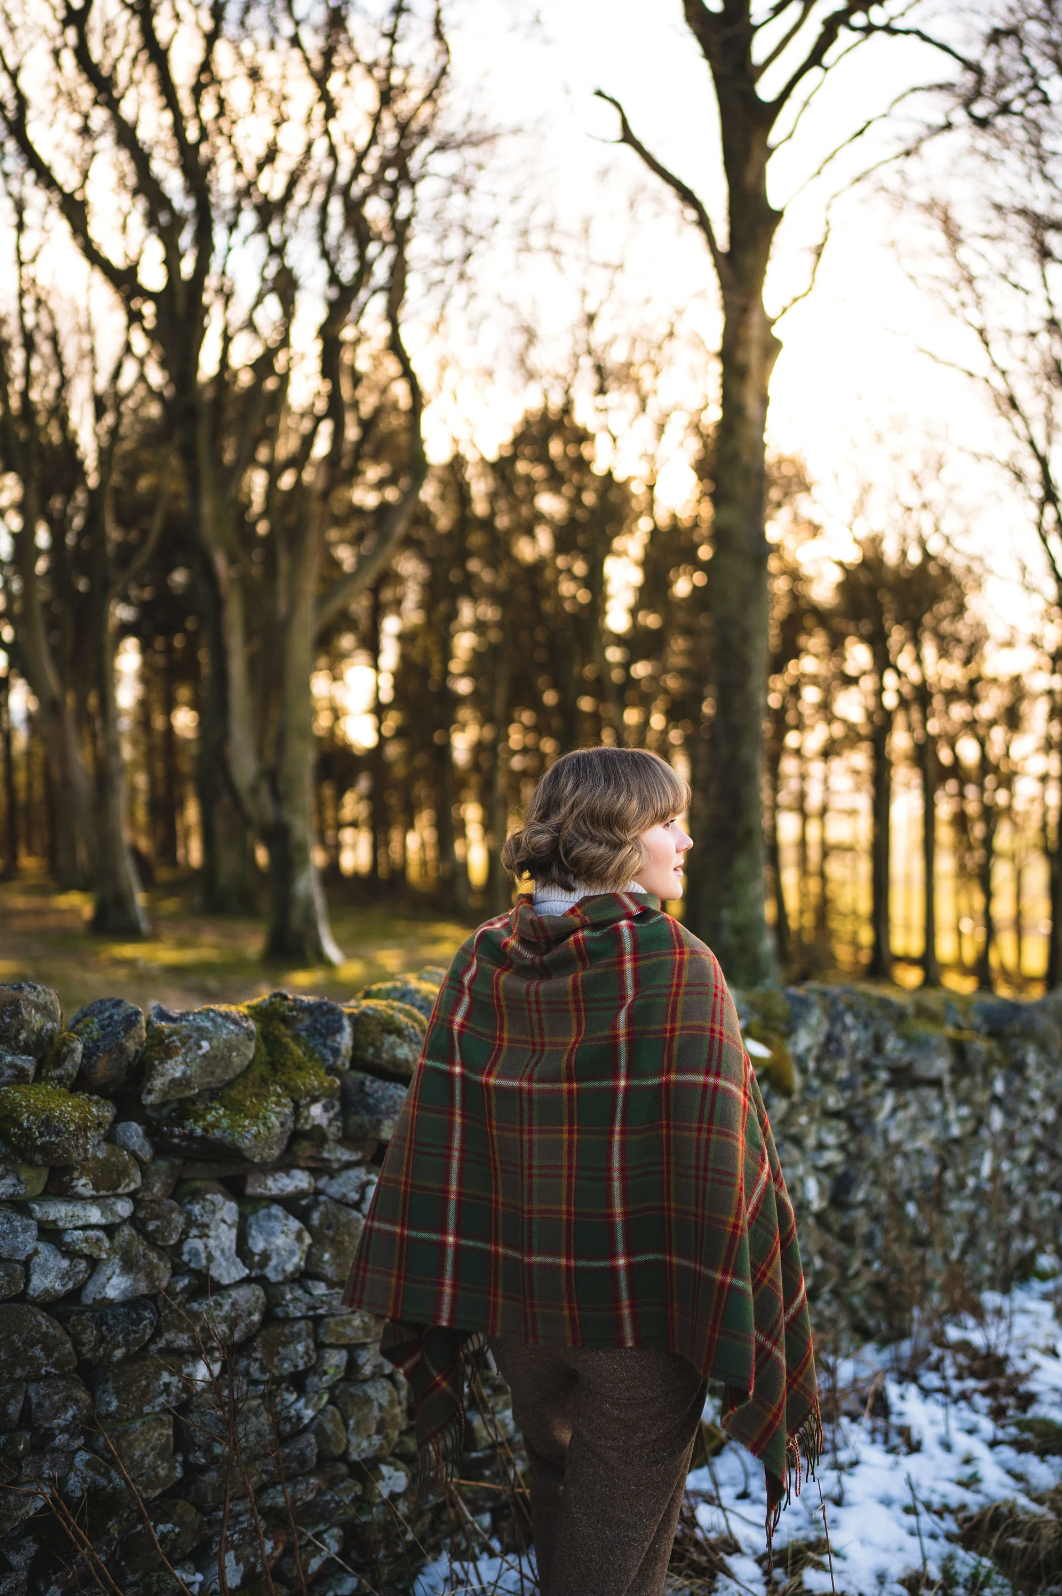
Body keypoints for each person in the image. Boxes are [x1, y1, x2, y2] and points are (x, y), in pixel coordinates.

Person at [343, 745, 819, 1595]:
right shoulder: (675, 965)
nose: (686, 840)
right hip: (639, 1315)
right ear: (616, 838)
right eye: (667, 822)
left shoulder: (485, 957)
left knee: (572, 1504)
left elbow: (452, 1135)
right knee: (615, 1547)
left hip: (516, 1309)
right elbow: (723, 1153)